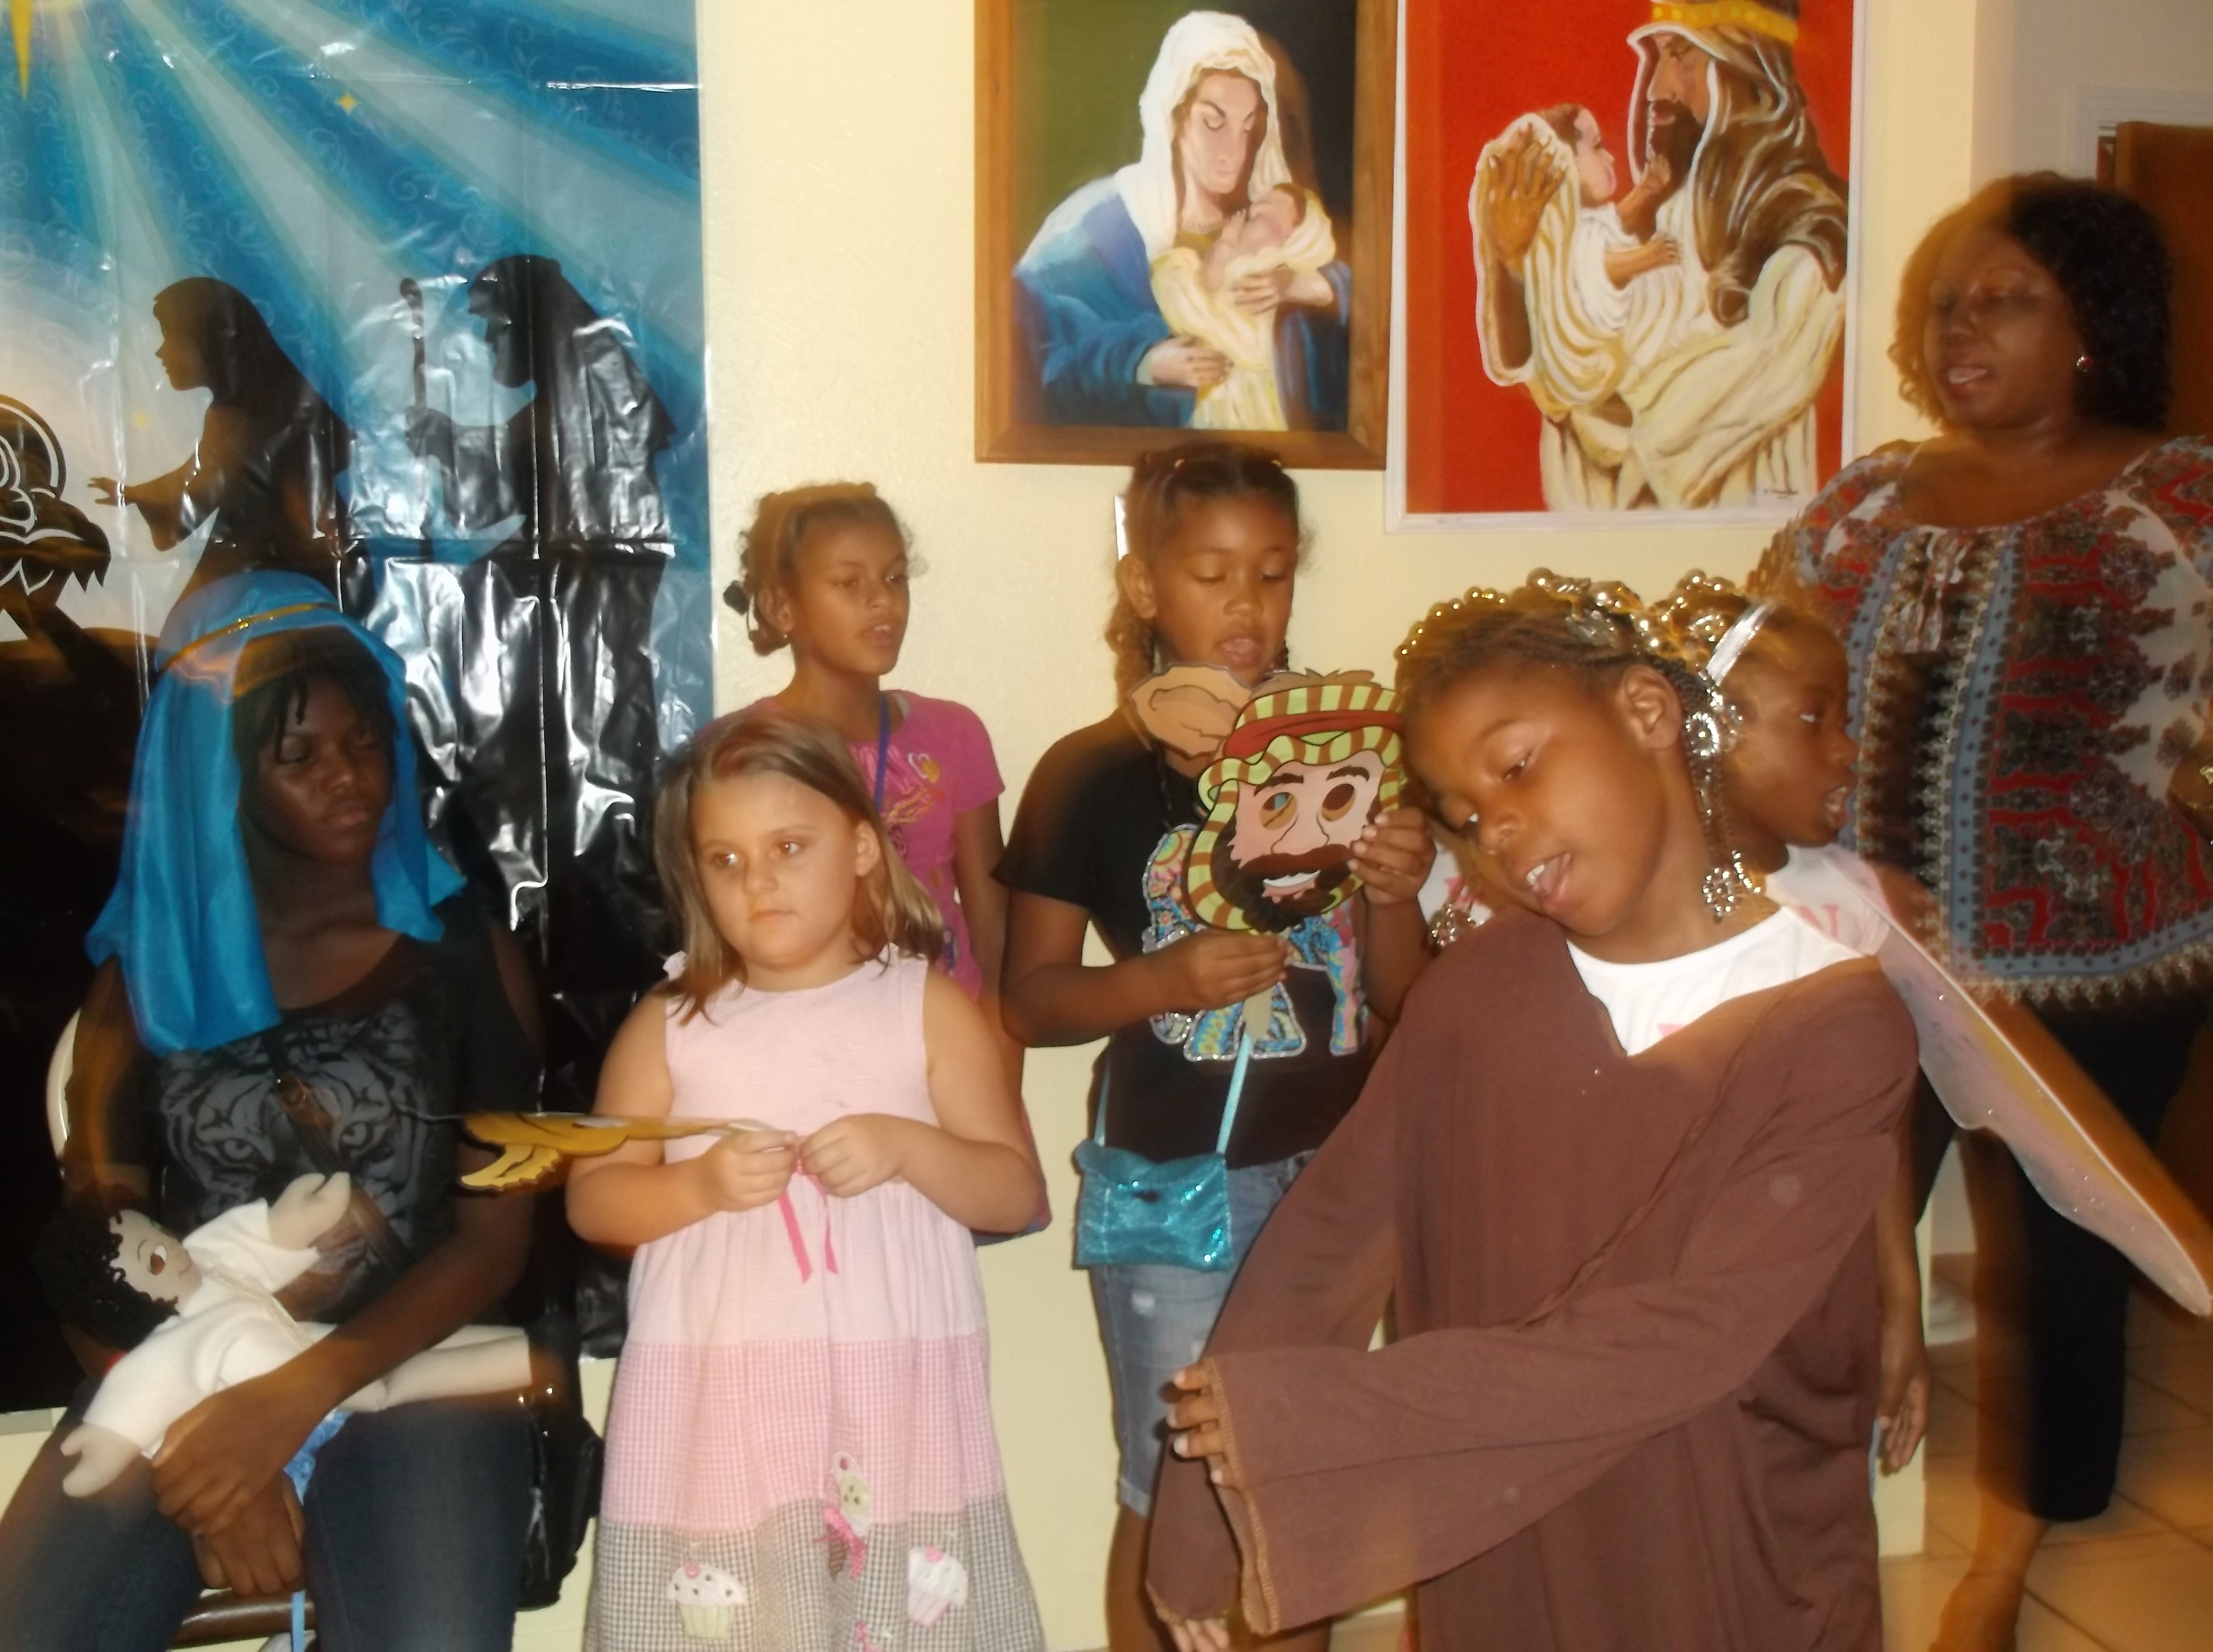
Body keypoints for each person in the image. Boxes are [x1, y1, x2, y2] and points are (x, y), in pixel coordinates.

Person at [1145, 574, 1918, 1652]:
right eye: (1463, 815)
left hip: (1730, 1550)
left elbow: (1695, 1334)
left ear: (1646, 711)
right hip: (1510, 1537)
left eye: (1515, 767)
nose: (1494, 830)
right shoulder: (1481, 990)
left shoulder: (1834, 1023)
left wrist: (1323, 1419)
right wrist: (1197, 1531)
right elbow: (1329, 1239)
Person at [1757, 172, 2213, 1652]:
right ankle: (1793, 1529)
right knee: (1816, 1252)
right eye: (1947, 303)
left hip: (2102, 968)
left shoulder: (2184, 501)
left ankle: (2008, 1559)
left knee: (2063, 1278)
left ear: (2093, 326)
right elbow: (1756, 680)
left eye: (2005, 300)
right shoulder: (1866, 498)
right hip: (1866, 961)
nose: (1962, 329)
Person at [0, 571, 544, 1651]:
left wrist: (285, 1403)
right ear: (221, 772)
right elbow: (94, 1255)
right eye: (299, 755)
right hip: (185, 1372)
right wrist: (213, 1462)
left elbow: (494, 1242)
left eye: (366, 743)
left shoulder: (461, 954)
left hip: (423, 1362)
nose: (349, 778)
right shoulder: (143, 979)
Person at [996, 442, 1433, 1651]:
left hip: (1337, 1177)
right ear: (1146, 586)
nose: (1247, 604)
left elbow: (1404, 999)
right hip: (1175, 1181)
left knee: (1300, 1478)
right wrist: (1160, 979)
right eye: (1212, 573)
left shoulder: (1354, 753)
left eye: (1273, 573)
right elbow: (1029, 1000)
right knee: (1174, 1486)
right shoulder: (1090, 777)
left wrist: (1396, 891)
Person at [567, 709, 1047, 1651]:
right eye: (726, 860)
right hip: (723, 1397)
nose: (759, 882)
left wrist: (908, 1148)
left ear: (863, 849)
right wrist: (699, 1188)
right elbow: (595, 1199)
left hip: (892, 1393)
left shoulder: (924, 1008)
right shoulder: (669, 1025)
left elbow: (1012, 1190)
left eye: (789, 847)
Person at [1652, 572, 1932, 1477]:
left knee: (1804, 1497)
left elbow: (1875, 1126)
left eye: (1845, 717)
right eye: (1814, 719)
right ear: (1709, 733)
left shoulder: (1848, 906)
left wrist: (1901, 1302)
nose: (1848, 749)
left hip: (1818, 1292)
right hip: (1675, 1302)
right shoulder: (1646, 907)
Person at [1472, 0, 1847, 510]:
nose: (1655, 89)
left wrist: (1585, 390)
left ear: (1747, 71)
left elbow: (1673, 427)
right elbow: (1552, 365)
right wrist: (1511, 260)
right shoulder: (1661, 218)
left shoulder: (1810, 232)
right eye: (1658, 59)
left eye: (1681, 58)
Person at [722, 484, 1011, 1014]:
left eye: (895, 577)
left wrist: (994, 1055)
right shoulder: (738, 754)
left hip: (945, 1034)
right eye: (848, 582)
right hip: (804, 1037)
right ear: (781, 607)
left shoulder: (954, 735)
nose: (883, 600)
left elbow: (995, 939)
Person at [1014, 12, 1350, 430]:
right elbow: (1036, 347)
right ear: (1174, 117)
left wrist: (1298, 285)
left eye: (1249, 127)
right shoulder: (1108, 227)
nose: (1234, 150)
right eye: (1214, 122)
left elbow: (1364, 311)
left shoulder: (1273, 219)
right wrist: (1144, 363)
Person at [90, 278, 353, 607]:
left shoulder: (241, 416)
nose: (161, 352)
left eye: (173, 337)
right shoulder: (274, 401)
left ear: (210, 340)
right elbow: (200, 479)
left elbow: (202, 492)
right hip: (287, 572)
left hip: (273, 576)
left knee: (194, 626)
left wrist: (139, 496)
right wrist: (134, 494)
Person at [1150, 186, 1341, 432]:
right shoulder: (1228, 252)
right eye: (1254, 213)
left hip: (1251, 373)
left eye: (1268, 213)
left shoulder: (1282, 270)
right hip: (1222, 371)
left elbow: (1326, 291)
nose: (1259, 206)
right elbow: (1208, 285)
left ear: (1292, 234)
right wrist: (1225, 245)